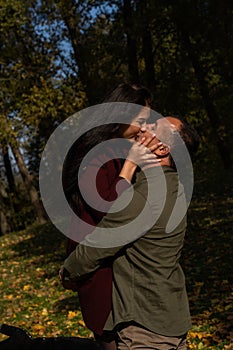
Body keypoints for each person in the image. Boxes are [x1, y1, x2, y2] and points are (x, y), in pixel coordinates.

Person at [60, 115, 200, 350]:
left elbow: (98, 244)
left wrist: (68, 272)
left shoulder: (145, 195)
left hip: (146, 329)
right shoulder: (176, 187)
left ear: (162, 147)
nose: (144, 128)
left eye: (154, 127)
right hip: (172, 318)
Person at [61, 83, 162, 350]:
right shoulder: (93, 155)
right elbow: (109, 208)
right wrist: (129, 166)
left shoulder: (120, 149)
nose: (144, 128)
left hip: (126, 271)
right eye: (140, 121)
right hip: (101, 273)